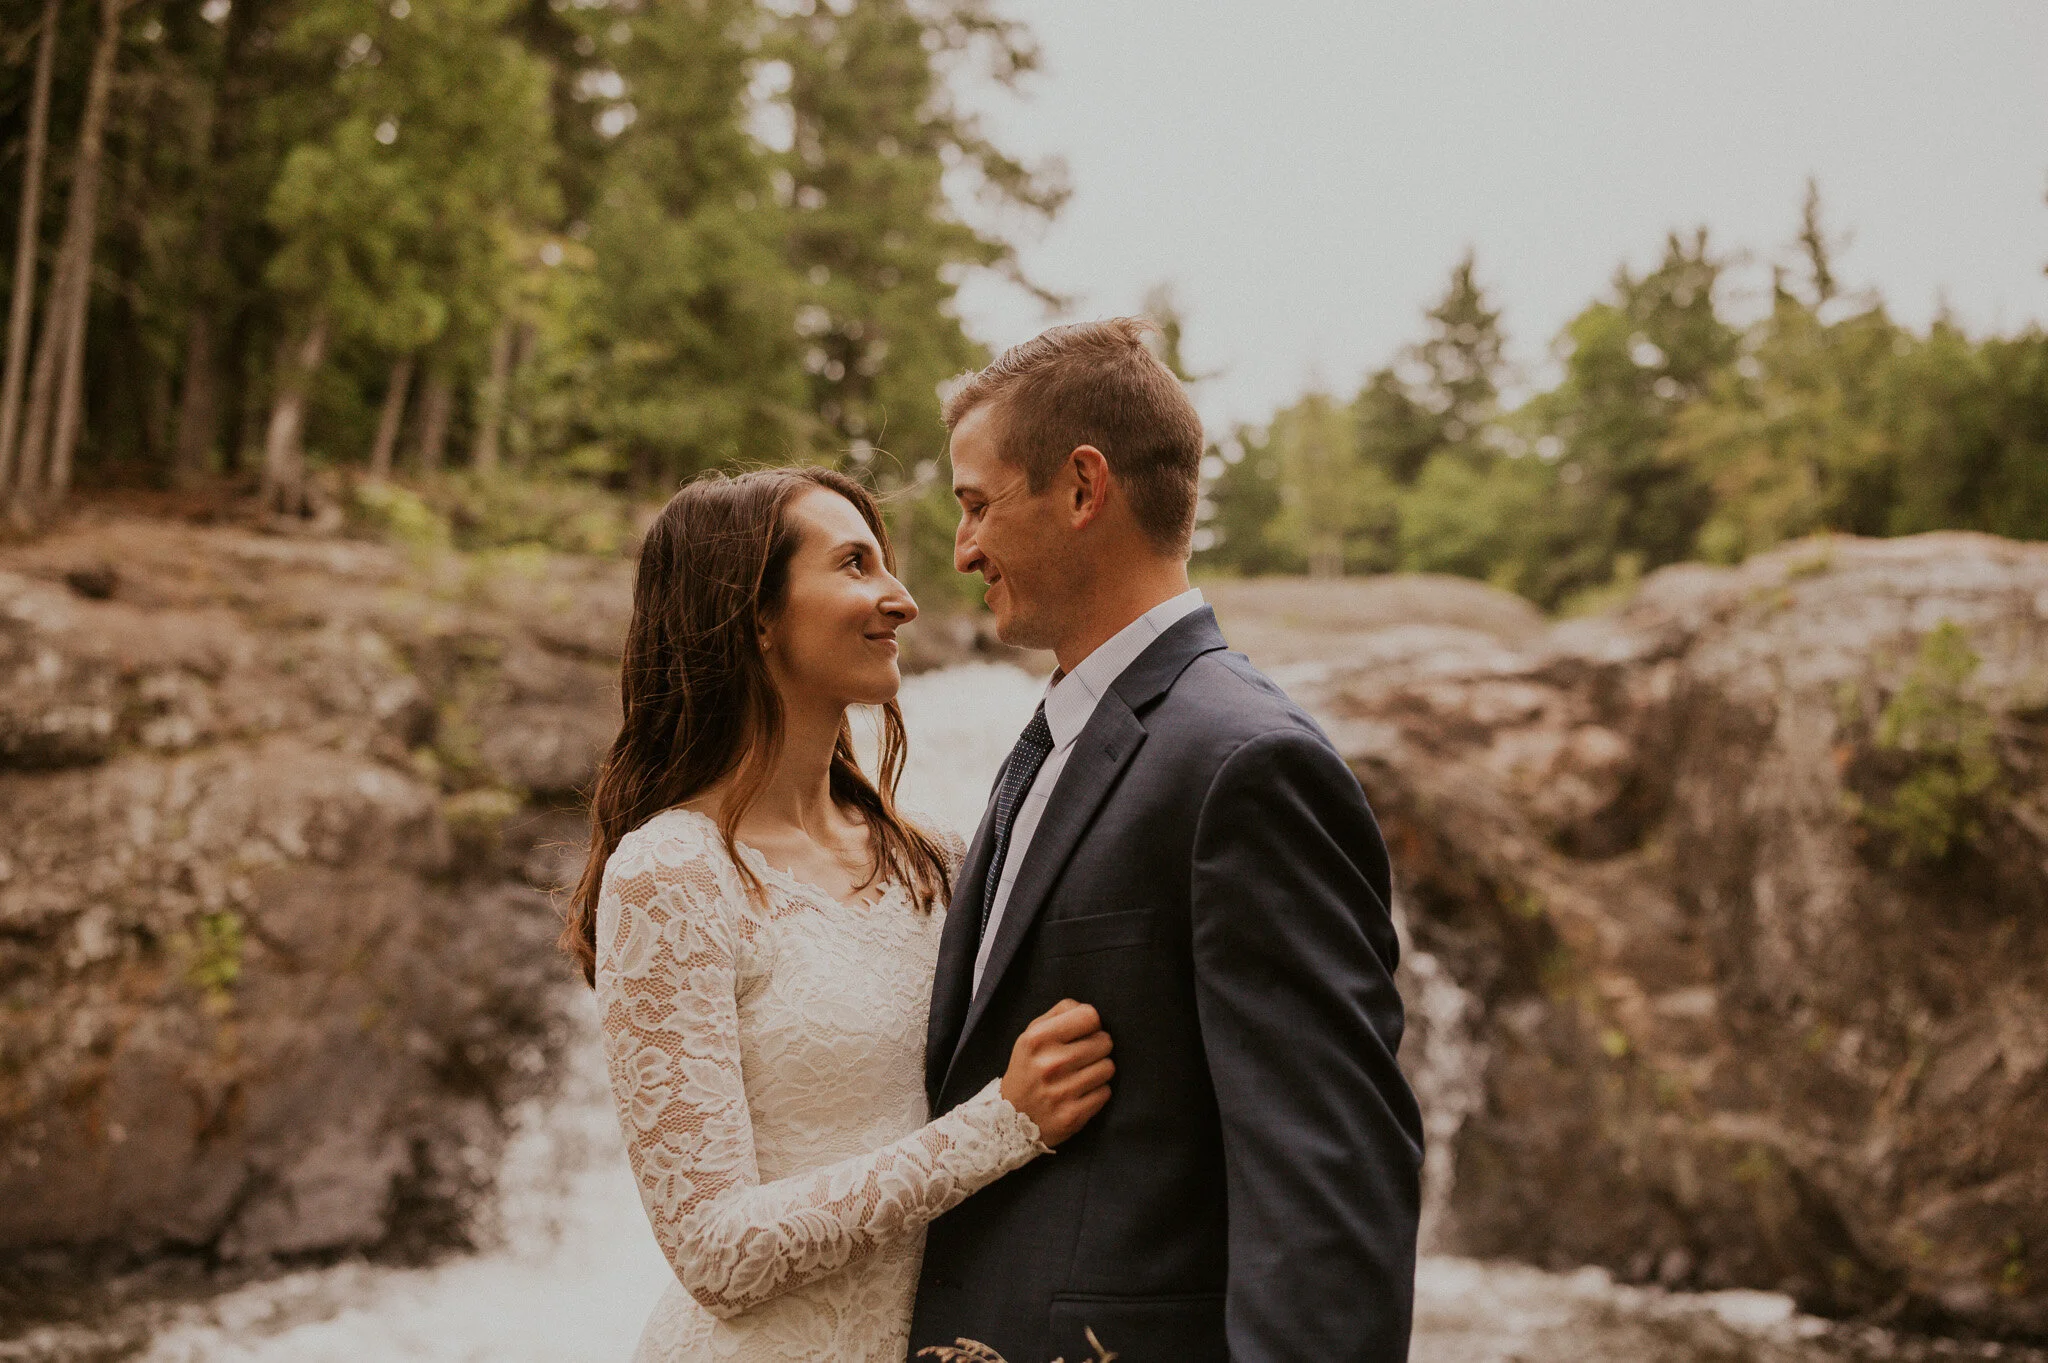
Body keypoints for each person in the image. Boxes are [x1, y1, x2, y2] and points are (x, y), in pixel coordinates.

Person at [911, 319, 1424, 1363]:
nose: (960, 550)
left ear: (1081, 487)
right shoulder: (1051, 737)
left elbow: (1327, 1181)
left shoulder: (1243, 760)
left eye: (975, 504)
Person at [561, 466, 1117, 1362]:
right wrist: (1002, 1125)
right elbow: (715, 1250)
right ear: (755, 615)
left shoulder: (935, 859)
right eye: (855, 564)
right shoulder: (672, 874)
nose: (901, 599)